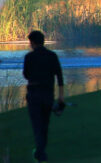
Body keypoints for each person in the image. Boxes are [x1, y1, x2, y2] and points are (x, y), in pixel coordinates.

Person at [22, 30, 64, 162]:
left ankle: (40, 153)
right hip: (47, 95)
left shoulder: (29, 57)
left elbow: (26, 75)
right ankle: (41, 152)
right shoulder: (52, 56)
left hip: (34, 95)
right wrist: (61, 97)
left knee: (37, 125)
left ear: (33, 42)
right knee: (44, 125)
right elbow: (59, 77)